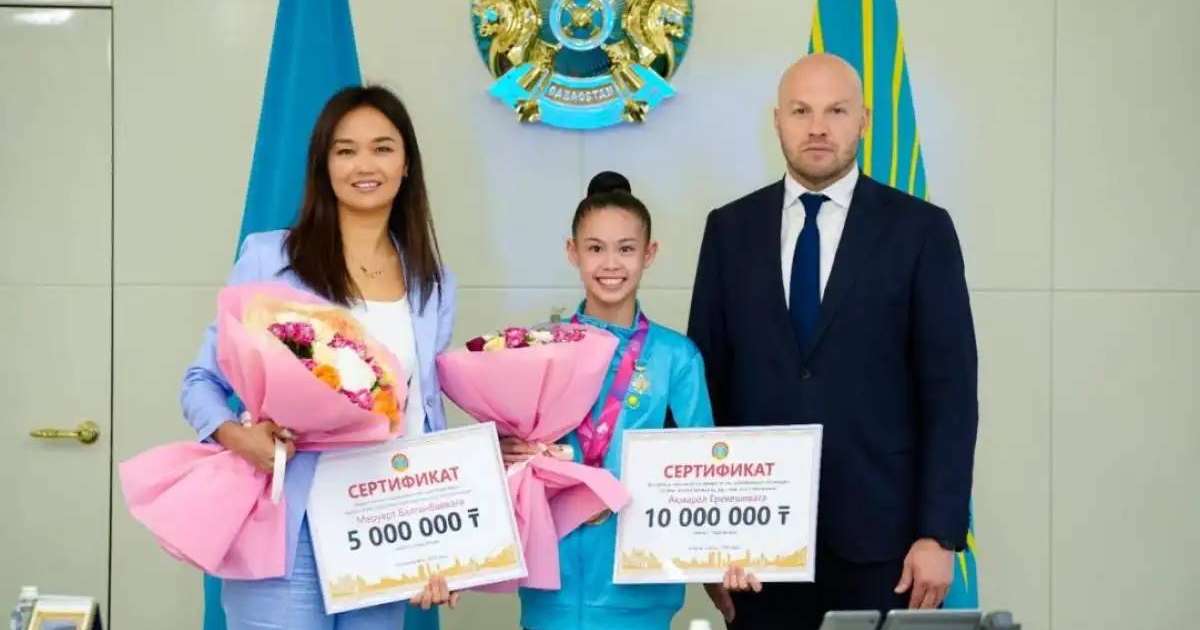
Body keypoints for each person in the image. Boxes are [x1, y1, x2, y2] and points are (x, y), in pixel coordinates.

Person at [688, 54, 979, 629]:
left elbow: (950, 394)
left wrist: (938, 533)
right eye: (801, 111)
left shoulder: (922, 231)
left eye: (835, 111)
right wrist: (708, 542)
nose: (817, 127)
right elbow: (705, 390)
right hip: (756, 546)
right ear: (777, 121)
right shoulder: (729, 230)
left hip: (886, 545)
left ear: (864, 119)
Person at [181, 85, 459, 629]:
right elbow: (198, 382)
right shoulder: (269, 257)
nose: (365, 164)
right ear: (324, 164)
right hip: (285, 522)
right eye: (345, 149)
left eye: (382, 148)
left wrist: (437, 535)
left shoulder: (433, 283)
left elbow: (425, 417)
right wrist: (245, 441)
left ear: (407, 165)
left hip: (381, 525)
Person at [502, 171, 726, 630]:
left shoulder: (676, 358)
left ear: (650, 254)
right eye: (595, 248)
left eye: (626, 249)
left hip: (639, 588)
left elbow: (703, 474)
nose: (611, 263)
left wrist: (724, 557)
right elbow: (518, 463)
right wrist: (506, 452)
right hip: (553, 590)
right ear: (572, 252)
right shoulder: (540, 349)